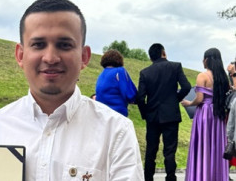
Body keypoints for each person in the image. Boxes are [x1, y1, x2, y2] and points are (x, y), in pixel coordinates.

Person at [0, 0, 144, 181]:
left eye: (64, 45)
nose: (51, 57)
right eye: (38, 44)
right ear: (21, 55)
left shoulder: (116, 131)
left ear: (84, 57)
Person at [136, 43, 191, 181]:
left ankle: (148, 178)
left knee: (151, 150)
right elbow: (186, 86)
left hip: (153, 116)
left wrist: (145, 114)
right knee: (170, 150)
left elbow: (140, 98)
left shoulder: (145, 73)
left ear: (151, 58)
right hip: (171, 115)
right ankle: (170, 177)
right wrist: (175, 99)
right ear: (164, 53)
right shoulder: (175, 66)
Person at [181, 48, 230, 180]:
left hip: (205, 114)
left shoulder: (202, 76)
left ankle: (201, 175)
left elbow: (199, 99)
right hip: (218, 114)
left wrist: (189, 103)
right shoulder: (223, 78)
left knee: (203, 145)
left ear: (207, 60)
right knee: (216, 146)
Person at [95, 49, 137, 116]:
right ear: (119, 60)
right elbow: (129, 93)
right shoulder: (120, 71)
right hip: (117, 114)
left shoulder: (101, 74)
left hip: (102, 114)